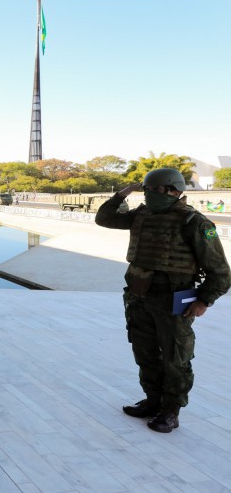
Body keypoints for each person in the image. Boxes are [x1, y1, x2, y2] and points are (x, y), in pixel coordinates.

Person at [95, 168, 231, 433]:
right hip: (138, 296)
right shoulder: (141, 215)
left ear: (175, 191)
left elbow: (221, 271)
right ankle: (152, 400)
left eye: (156, 190)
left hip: (174, 298)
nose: (151, 195)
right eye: (148, 190)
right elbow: (105, 218)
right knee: (144, 352)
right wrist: (122, 194)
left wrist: (204, 300)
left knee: (175, 357)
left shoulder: (195, 222)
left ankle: (171, 411)